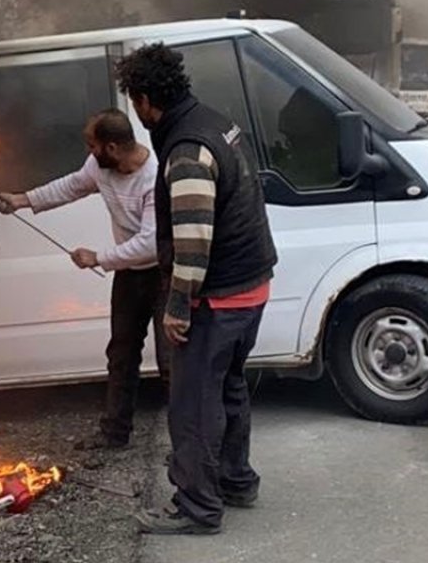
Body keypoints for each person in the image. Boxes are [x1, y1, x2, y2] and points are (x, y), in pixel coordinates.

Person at [114, 43, 277, 535]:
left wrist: (178, 308)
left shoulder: (186, 149)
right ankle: (235, 480)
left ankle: (197, 509)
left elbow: (193, 238)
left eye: (135, 103)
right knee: (228, 386)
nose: (138, 114)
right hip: (252, 285)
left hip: (217, 296)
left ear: (144, 100)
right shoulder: (214, 121)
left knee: (191, 404)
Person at [0, 108, 167, 448]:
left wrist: (97, 257)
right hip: (129, 276)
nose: (89, 152)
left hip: (162, 274)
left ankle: (187, 449)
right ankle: (115, 434)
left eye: (92, 145)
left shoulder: (154, 178)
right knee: (121, 354)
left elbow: (149, 244)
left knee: (172, 364)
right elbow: (71, 186)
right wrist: (22, 200)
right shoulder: (100, 167)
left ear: (112, 148)